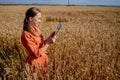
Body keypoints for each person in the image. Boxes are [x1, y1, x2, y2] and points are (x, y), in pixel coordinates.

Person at [21, 7, 56, 77]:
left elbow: (41, 45)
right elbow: (36, 53)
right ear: (31, 19)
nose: (40, 21)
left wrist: (49, 38)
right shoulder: (26, 35)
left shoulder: (36, 29)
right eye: (39, 18)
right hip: (35, 63)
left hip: (43, 60)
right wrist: (48, 42)